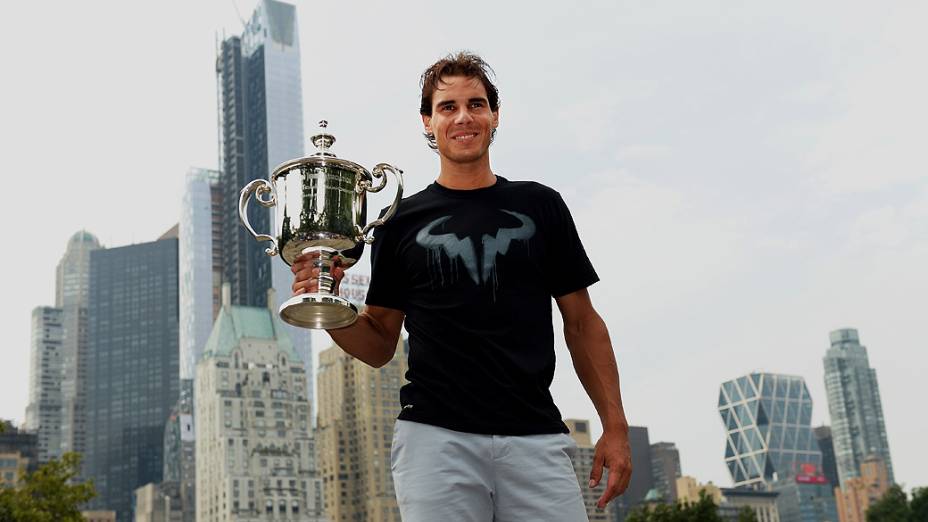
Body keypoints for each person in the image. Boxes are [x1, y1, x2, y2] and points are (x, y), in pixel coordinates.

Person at [292, 51, 632, 521]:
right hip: (435, 439)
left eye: (476, 104)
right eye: (448, 107)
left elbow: (581, 323)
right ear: (427, 123)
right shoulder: (398, 221)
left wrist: (615, 425)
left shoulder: (540, 205)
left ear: (494, 115)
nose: (463, 117)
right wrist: (329, 308)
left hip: (534, 435)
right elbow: (378, 344)